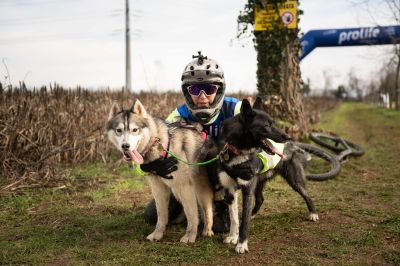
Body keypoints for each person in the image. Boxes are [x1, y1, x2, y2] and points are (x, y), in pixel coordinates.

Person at [140, 51, 271, 232]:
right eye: (194, 90)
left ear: (219, 89)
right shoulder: (177, 116)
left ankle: (221, 204)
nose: (202, 96)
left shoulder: (236, 109)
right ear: (187, 92)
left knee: (220, 226)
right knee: (151, 215)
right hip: (190, 180)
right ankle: (188, 207)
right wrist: (147, 166)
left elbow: (274, 141)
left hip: (226, 178)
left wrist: (260, 161)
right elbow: (145, 147)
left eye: (209, 89)